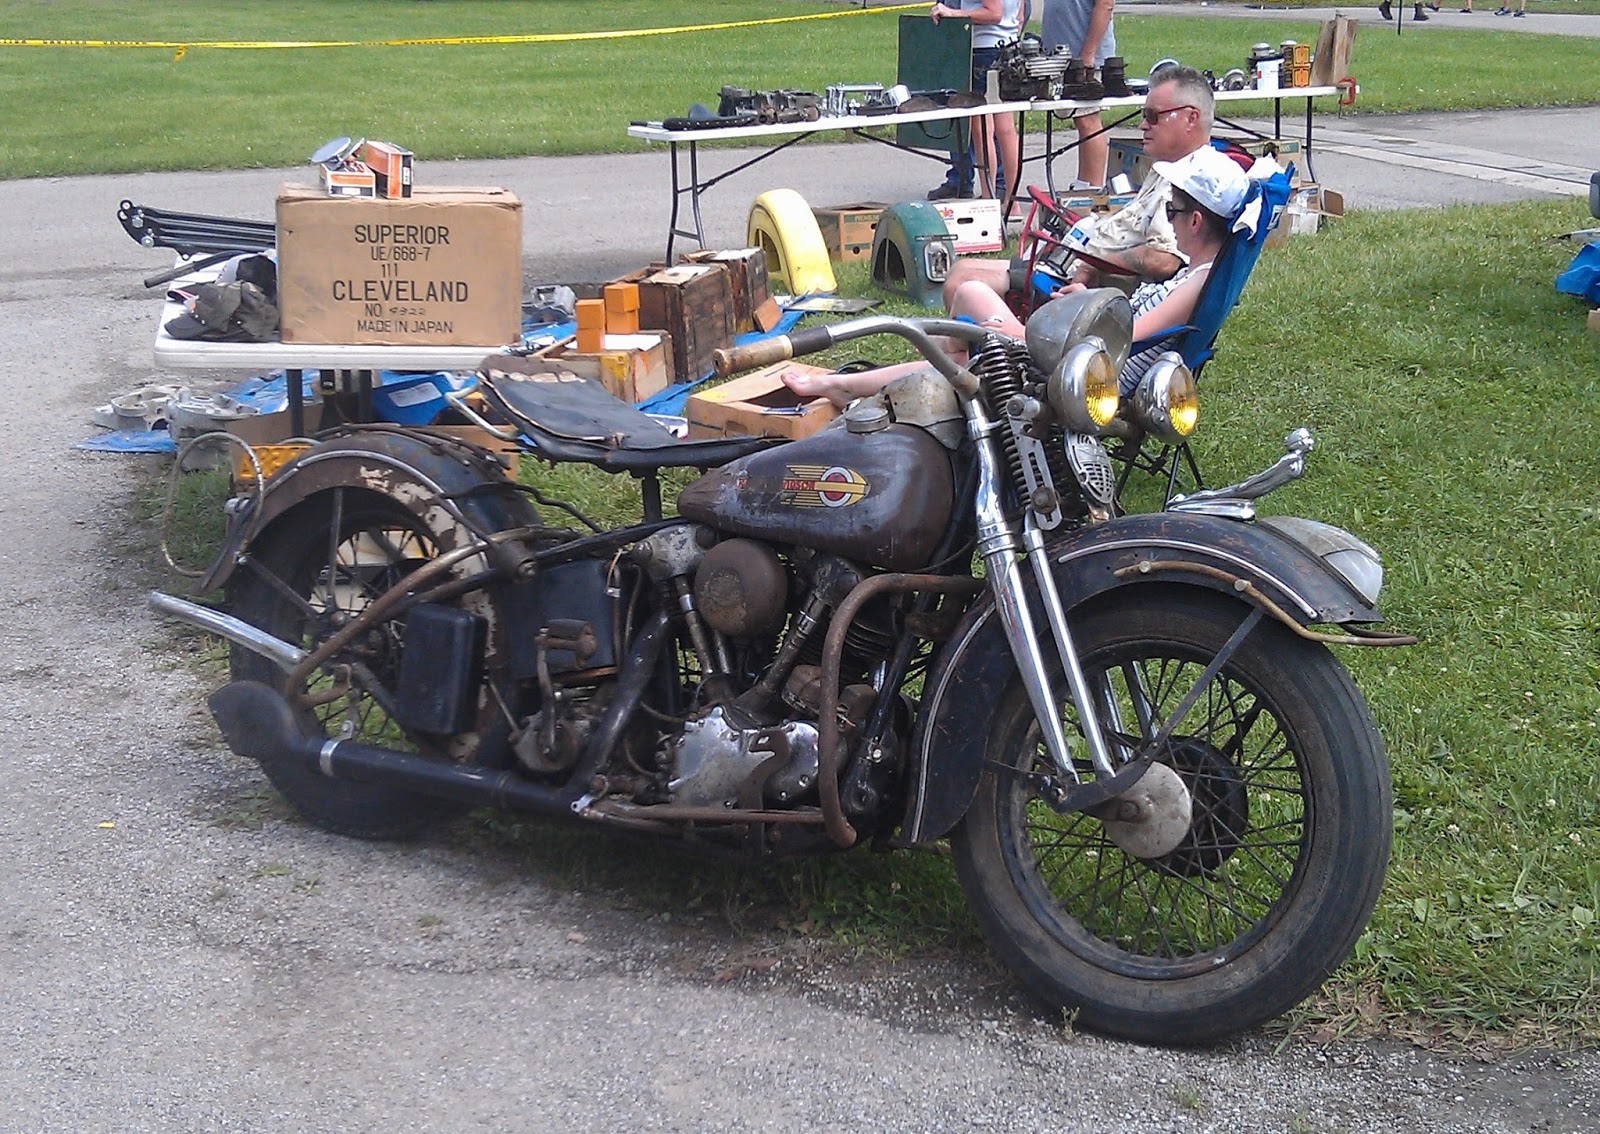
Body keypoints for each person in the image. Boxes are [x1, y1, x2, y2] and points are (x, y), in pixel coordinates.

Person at [782, 146, 1251, 407]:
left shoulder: (1193, 282)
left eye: (1173, 209)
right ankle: (951, 390)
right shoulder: (1198, 273)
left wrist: (1026, 334)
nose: (1167, 217)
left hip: (1089, 373)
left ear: (1195, 222)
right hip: (1085, 349)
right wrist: (1082, 304)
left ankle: (863, 387)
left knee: (968, 294)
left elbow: (1125, 341)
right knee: (967, 310)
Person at [938, 64, 1215, 312]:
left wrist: (1092, 262)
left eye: (1153, 116)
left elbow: (1165, 260)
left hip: (1084, 290)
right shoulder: (1172, 168)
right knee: (960, 270)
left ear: (1191, 118)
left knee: (961, 282)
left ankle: (968, 362)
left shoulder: (1188, 184)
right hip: (1075, 266)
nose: (1143, 124)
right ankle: (962, 359)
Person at [927, 1, 1024, 203]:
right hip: (1008, 45)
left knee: (983, 129)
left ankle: (990, 197)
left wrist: (952, 13)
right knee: (1006, 128)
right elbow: (1020, 14)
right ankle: (1010, 201)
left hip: (984, 51)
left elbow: (993, 13)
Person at [1041, 0, 1117, 191]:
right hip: (1059, 57)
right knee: (1082, 121)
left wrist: (1088, 55)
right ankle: (1083, 183)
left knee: (1088, 120)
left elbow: (1106, 5)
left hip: (1085, 60)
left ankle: (1093, 188)